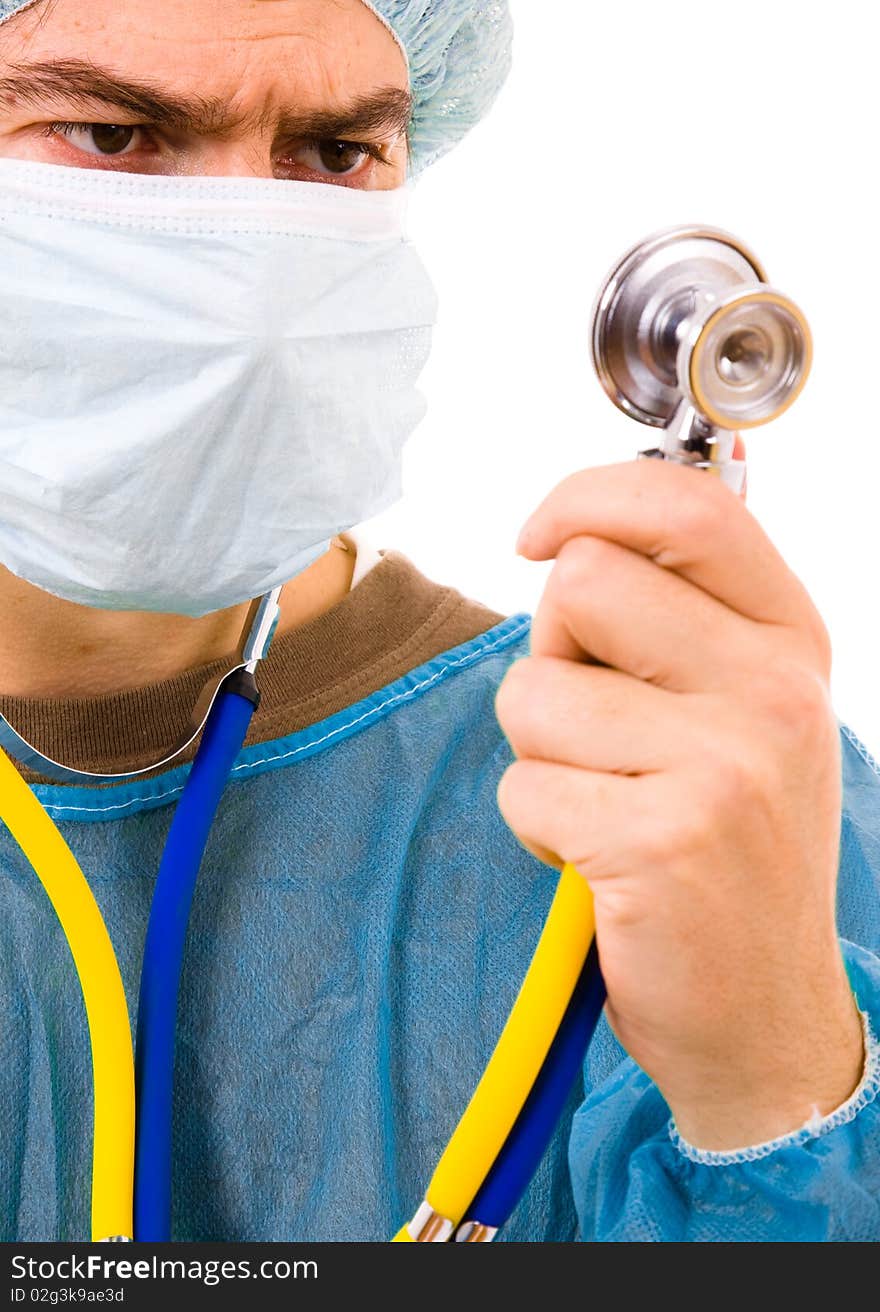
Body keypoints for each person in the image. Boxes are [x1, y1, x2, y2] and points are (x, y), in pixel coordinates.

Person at [0, 0, 877, 1244]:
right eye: (106, 134)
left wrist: (774, 1081)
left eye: (332, 154)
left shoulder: (677, 793)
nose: (254, 276)